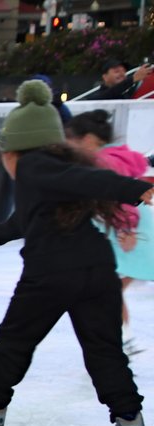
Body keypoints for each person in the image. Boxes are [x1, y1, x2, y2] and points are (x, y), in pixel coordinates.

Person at [0, 81, 153, 426]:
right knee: (105, 352)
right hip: (96, 270)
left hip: (49, 275)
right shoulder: (53, 172)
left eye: (3, 154)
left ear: (17, 150)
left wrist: (139, 188)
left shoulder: (33, 165)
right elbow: (25, 221)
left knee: (12, 345)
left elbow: (92, 183)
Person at [64, 110, 154, 355]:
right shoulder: (118, 155)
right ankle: (122, 338)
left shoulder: (105, 162)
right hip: (131, 228)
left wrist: (127, 227)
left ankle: (121, 339)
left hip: (127, 231)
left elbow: (123, 195)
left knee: (103, 288)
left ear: (89, 139)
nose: (69, 146)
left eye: (71, 140)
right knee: (107, 287)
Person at [83, 58, 152, 101]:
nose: (122, 74)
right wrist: (133, 78)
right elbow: (109, 94)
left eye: (124, 71)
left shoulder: (126, 95)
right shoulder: (96, 97)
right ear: (105, 77)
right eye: (116, 71)